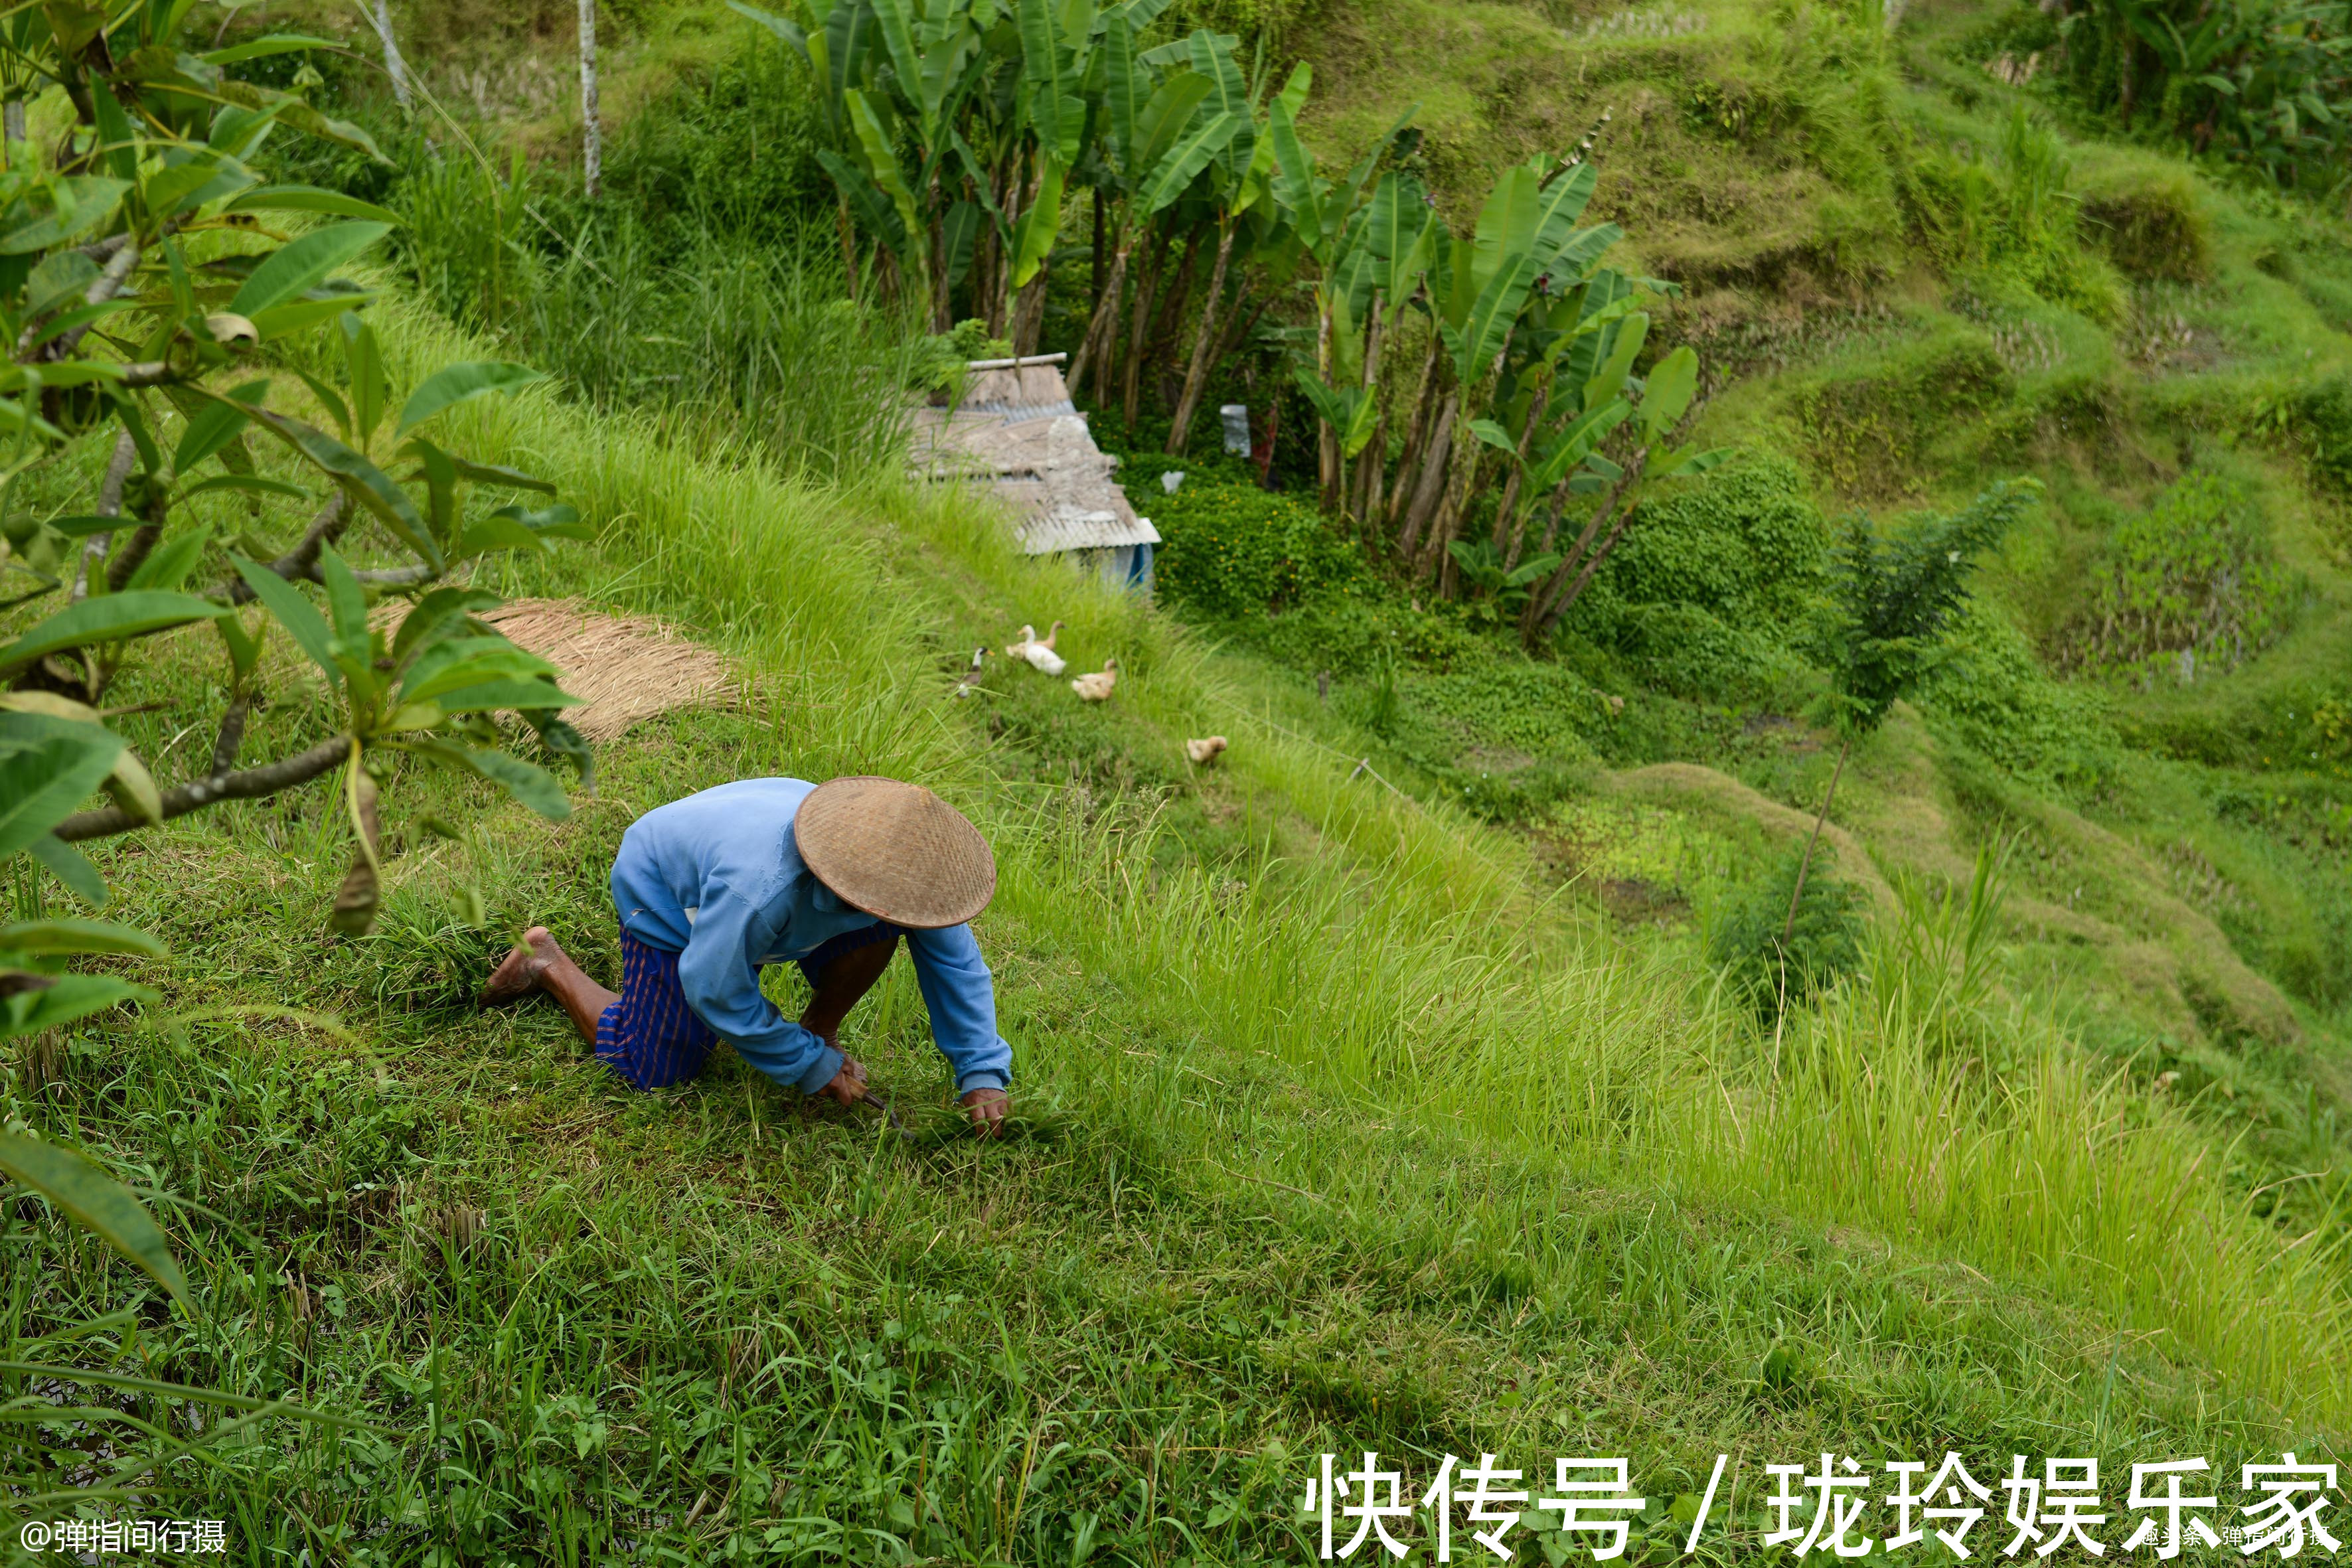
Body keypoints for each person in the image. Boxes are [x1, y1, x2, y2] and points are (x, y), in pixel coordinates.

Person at [482, 775, 1012, 1134]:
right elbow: (714, 987)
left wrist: (981, 1070)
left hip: (750, 858)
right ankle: (547, 962)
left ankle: (817, 1033)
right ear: (850, 884)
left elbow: (955, 962)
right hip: (667, 889)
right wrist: (805, 1067)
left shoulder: (913, 881)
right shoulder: (760, 889)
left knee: (878, 936)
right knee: (656, 1067)